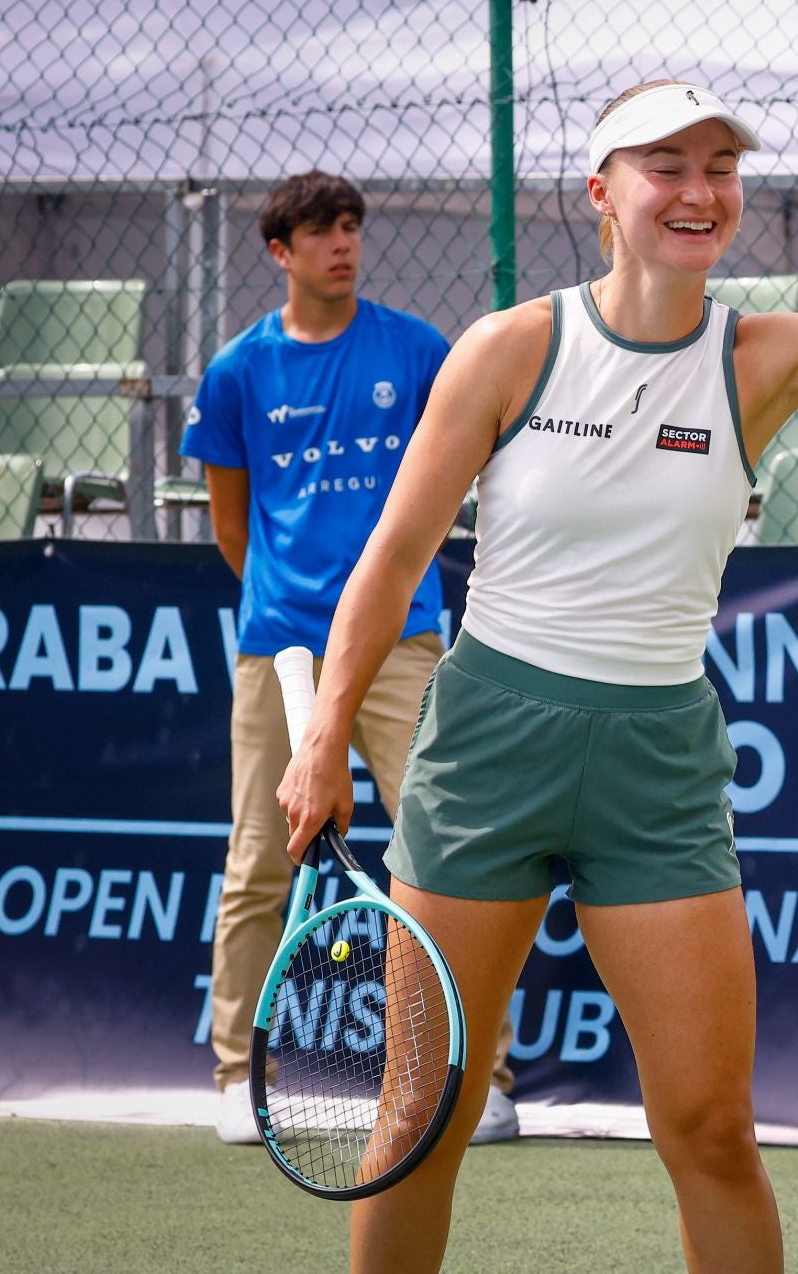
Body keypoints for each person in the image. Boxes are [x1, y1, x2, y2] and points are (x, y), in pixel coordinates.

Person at [276, 67, 798, 1273]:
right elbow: (391, 560)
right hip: (487, 744)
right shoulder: (510, 349)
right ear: (603, 192)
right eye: (669, 166)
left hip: (657, 763)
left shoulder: (767, 355)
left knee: (710, 1129)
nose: (700, 190)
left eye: (721, 169)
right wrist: (323, 734)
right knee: (421, 1115)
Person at [180, 170, 520, 1147]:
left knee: (454, 854)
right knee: (257, 861)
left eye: (353, 228)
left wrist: (366, 621)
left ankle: (479, 1077)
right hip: (279, 648)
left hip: (406, 641)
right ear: (279, 253)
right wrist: (298, 622)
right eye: (322, 233)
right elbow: (235, 526)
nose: (344, 245)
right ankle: (243, 1078)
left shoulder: (416, 351)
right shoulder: (238, 371)